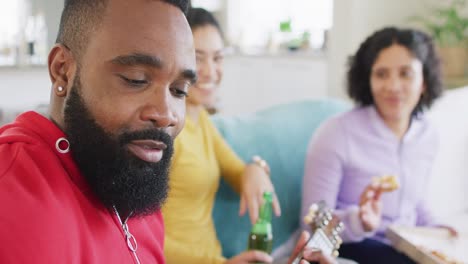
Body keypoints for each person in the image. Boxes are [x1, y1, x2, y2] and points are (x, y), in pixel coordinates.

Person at [0, 0, 196, 263]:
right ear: (63, 72)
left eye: (179, 90)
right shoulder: (12, 198)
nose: (166, 115)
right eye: (136, 79)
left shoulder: (127, 178)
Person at [300, 27, 459, 264]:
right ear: (367, 79)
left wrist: (440, 229)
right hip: (352, 246)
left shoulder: (427, 135)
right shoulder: (336, 133)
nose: (393, 86)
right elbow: (312, 225)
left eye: (406, 73)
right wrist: (359, 221)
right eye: (381, 74)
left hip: (405, 246)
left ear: (424, 81)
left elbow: (414, 202)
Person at [162, 7, 282, 264]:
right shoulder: (166, 131)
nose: (209, 70)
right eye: (198, 57)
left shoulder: (200, 119)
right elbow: (141, 235)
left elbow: (237, 171)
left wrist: (255, 168)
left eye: (217, 58)